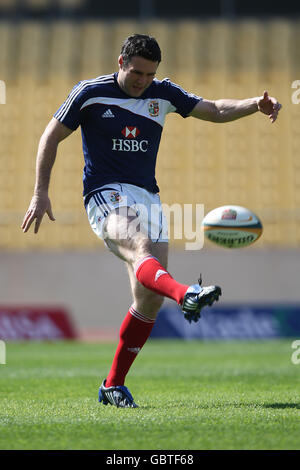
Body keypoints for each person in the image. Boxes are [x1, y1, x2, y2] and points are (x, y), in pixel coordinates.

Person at [22, 34, 282, 408]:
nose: (143, 80)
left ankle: (112, 385)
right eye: (137, 72)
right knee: (141, 249)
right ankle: (186, 294)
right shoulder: (89, 93)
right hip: (105, 193)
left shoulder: (163, 92)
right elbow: (51, 135)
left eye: (149, 74)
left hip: (149, 197)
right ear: (121, 62)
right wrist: (39, 191)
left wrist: (254, 104)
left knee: (147, 300)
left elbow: (214, 109)